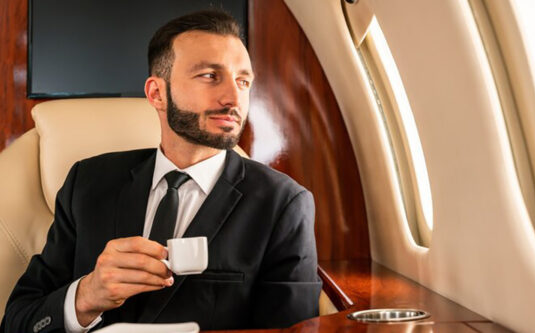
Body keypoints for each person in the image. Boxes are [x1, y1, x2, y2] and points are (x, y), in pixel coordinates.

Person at [1, 10, 321, 332]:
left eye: (243, 81)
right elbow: (18, 321)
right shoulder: (87, 183)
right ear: (156, 93)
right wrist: (86, 295)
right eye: (210, 76)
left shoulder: (284, 204)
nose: (233, 98)